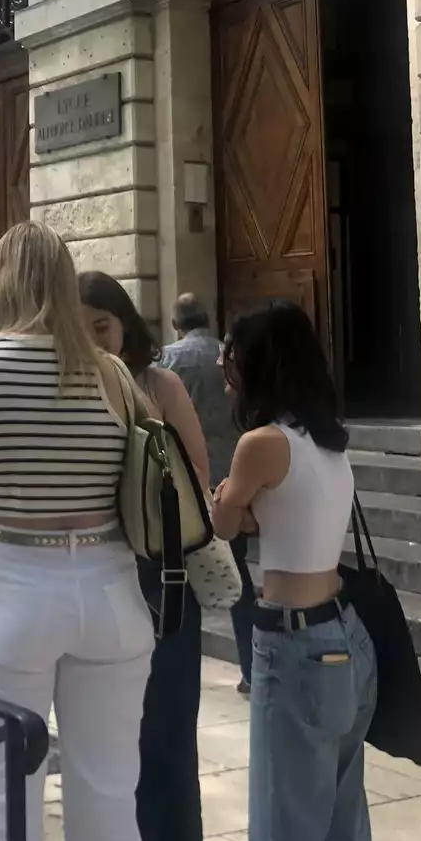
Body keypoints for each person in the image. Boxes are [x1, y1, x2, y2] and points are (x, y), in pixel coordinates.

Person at [0, 223, 151, 841]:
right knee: (110, 800)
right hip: (110, 585)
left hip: (11, 583)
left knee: (5, 801)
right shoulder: (111, 372)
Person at [211, 300, 376, 841]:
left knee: (284, 836)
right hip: (346, 638)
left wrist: (228, 497)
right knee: (341, 827)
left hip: (295, 642)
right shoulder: (329, 439)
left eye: (230, 357)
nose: (223, 368)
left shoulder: (261, 444)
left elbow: (225, 525)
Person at [78, 270, 211, 841]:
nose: (93, 342)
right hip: (98, 582)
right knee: (108, 754)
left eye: (101, 327)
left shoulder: (161, 384)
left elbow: (197, 494)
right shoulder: (70, 389)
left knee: (165, 747)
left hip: (163, 583)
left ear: (125, 324)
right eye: (79, 331)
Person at [161, 293, 254, 691]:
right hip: (232, 475)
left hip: (188, 482)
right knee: (239, 579)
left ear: (175, 323)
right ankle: (251, 667)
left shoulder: (167, 361)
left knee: (184, 578)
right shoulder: (225, 354)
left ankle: (182, 670)